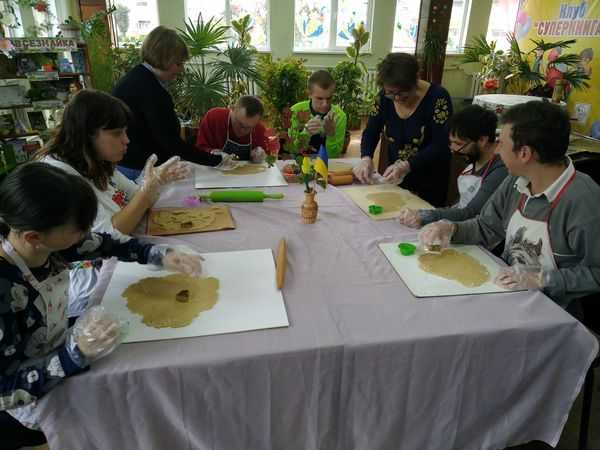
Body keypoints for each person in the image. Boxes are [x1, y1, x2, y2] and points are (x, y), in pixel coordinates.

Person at [0, 163, 201, 448]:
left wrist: (159, 254)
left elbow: (107, 244)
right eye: (77, 229)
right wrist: (73, 355)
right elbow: (5, 390)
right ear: (34, 237)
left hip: (53, 344)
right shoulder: (5, 289)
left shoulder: (48, 241)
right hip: (27, 397)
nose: (85, 234)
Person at [419, 101, 600, 310]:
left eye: (501, 143)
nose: (496, 149)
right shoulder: (516, 181)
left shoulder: (583, 200)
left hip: (553, 311)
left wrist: (544, 279)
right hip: (507, 292)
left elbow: (596, 272)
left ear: (524, 153)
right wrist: (451, 229)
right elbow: (487, 227)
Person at [35, 89, 189, 318]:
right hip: (86, 286)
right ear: (86, 135)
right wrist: (146, 192)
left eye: (125, 131)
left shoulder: (96, 161)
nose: (127, 140)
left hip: (122, 256)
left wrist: (154, 184)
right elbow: (108, 236)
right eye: (117, 133)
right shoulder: (58, 176)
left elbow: (137, 196)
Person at [112, 26, 234, 180]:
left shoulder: (137, 77)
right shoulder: (151, 90)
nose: (181, 69)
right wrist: (215, 160)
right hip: (138, 168)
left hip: (130, 163)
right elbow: (170, 141)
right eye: (178, 63)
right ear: (164, 58)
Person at [353, 53, 453, 207]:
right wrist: (366, 157)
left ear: (415, 81)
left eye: (402, 94)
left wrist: (407, 165)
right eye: (391, 93)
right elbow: (371, 131)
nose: (397, 98)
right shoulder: (383, 97)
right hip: (397, 176)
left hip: (430, 177)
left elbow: (441, 144)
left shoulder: (438, 98)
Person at [398, 104, 507, 228]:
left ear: (482, 140)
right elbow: (461, 204)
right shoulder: (475, 159)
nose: (453, 149)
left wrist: (426, 216)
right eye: (451, 143)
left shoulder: (501, 170)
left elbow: (471, 212)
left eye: (458, 144)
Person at [288, 70, 347, 158]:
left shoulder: (339, 116)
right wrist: (305, 134)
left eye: (329, 98)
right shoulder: (295, 111)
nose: (325, 104)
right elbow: (291, 150)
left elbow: (333, 156)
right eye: (319, 98)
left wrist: (331, 135)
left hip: (326, 163)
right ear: (309, 94)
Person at [195, 95, 268, 162]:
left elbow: (266, 156)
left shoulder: (259, 129)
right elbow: (199, 149)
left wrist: (260, 155)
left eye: (248, 128)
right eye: (240, 124)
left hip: (246, 171)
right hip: (213, 169)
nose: (242, 131)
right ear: (232, 109)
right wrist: (213, 153)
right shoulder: (214, 118)